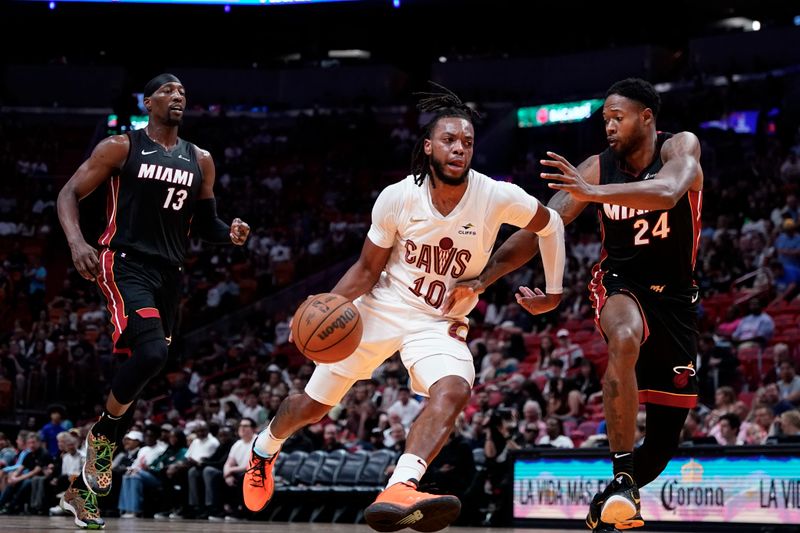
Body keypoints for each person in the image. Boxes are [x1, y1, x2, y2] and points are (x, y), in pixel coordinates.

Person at [242, 84, 566, 533]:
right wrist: (324, 308)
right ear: (429, 146)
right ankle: (264, 448)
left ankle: (401, 486)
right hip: (380, 309)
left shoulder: (495, 195)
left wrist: (552, 289)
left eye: (468, 142)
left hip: (438, 320)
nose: (460, 148)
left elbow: (550, 225)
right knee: (312, 407)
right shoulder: (397, 196)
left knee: (454, 389)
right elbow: (365, 268)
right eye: (450, 140)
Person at [450, 78, 703, 532]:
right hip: (620, 282)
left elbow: (668, 192)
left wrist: (593, 194)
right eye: (604, 118)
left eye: (617, 117)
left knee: (664, 444)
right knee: (624, 336)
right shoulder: (597, 168)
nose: (608, 126)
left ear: (646, 117)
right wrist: (484, 278)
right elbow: (541, 228)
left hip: (679, 301)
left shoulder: (679, 148)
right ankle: (623, 474)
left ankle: (608, 500)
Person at [55, 73, 250, 529]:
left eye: (183, 91)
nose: (178, 96)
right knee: (151, 352)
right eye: (168, 90)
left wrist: (232, 235)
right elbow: (68, 193)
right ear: (149, 101)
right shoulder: (120, 147)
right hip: (124, 263)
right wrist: (76, 242)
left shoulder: (200, 159)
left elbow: (208, 224)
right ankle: (101, 440)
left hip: (170, 274)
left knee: (144, 372)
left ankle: (80, 491)